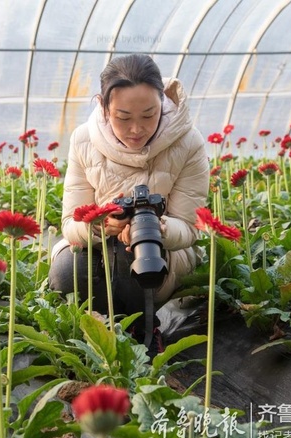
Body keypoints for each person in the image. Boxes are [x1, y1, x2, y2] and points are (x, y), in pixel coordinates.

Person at [49, 53, 209, 350]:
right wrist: (101, 226)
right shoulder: (83, 140)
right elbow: (71, 223)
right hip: (98, 246)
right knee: (67, 270)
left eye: (149, 115)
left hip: (165, 255)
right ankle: (89, 331)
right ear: (103, 106)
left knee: (135, 254)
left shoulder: (189, 143)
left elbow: (189, 228)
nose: (136, 129)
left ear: (163, 102)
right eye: (123, 117)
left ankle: (144, 330)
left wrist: (157, 227)